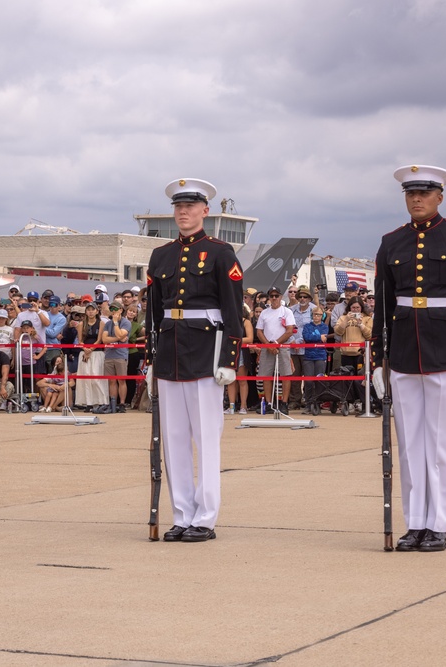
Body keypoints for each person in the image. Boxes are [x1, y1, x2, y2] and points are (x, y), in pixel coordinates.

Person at [371, 165, 446, 553]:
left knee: (439, 440)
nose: (417, 200)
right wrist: (377, 360)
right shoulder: (391, 242)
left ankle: (437, 523)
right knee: (409, 441)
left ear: (440, 196)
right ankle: (415, 522)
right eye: (410, 194)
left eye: (424, 193)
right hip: (404, 347)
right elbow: (384, 305)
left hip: (445, 347)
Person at [147, 178, 243, 542]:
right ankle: (182, 513)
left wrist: (229, 357)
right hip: (170, 352)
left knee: (206, 437)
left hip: (206, 353)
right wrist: (150, 360)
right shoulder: (161, 256)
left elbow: (233, 309)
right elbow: (155, 313)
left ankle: (205, 516)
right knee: (173, 439)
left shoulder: (221, 252)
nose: (183, 212)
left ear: (206, 211)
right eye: (178, 207)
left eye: (190, 206)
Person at [254, 286, 295, 413]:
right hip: (267, 346)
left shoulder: (286, 311)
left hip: (282, 346)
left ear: (281, 297)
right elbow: (259, 332)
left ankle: (284, 403)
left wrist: (276, 343)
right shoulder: (264, 313)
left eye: (276, 296)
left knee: (285, 375)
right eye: (271, 296)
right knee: (266, 375)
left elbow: (289, 331)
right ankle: (269, 403)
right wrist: (268, 344)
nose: (274, 298)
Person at [96, 301, 131, 414]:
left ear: (121, 310)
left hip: (121, 355)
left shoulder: (126, 323)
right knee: (111, 381)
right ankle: (113, 402)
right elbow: (105, 339)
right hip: (109, 354)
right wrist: (118, 339)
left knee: (121, 380)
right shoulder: (107, 324)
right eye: (112, 309)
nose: (114, 311)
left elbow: (122, 334)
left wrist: (116, 324)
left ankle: (121, 403)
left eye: (116, 309)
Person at [74, 302, 107, 410]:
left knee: (96, 378)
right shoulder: (81, 324)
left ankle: (101, 401)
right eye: (88, 310)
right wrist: (86, 350)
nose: (91, 312)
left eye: (93, 309)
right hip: (85, 353)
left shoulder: (101, 323)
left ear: (97, 311)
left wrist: (90, 349)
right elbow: (80, 340)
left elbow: (99, 339)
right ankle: (88, 403)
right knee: (85, 378)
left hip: (97, 353)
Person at [225, 300, 255, 414]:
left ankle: (243, 406)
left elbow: (250, 338)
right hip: (229, 351)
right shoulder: (228, 321)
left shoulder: (246, 322)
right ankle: (231, 406)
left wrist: (235, 341)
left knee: (242, 380)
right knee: (230, 380)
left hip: (241, 351)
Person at [334, 296, 372, 380]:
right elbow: (338, 332)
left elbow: (369, 335)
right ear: (349, 307)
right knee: (347, 380)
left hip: (360, 355)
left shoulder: (367, 318)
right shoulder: (343, 318)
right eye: (353, 307)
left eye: (358, 307)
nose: (355, 310)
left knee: (360, 379)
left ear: (361, 308)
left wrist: (361, 325)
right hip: (346, 354)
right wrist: (346, 320)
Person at [301, 308, 329, 415]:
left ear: (322, 316)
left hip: (320, 356)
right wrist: (318, 337)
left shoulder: (324, 326)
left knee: (319, 380)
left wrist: (316, 337)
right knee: (308, 381)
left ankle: (318, 403)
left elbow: (324, 338)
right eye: (315, 314)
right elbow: (306, 337)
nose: (317, 316)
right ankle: (308, 403)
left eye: (319, 314)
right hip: (308, 356)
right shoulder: (307, 326)